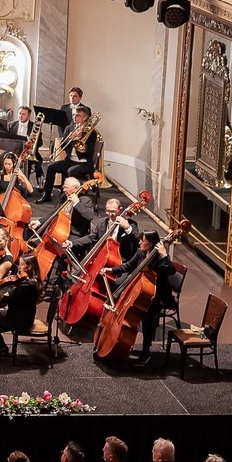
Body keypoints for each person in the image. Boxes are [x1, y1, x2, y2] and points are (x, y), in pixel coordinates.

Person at [104, 229, 177, 361]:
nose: (139, 242)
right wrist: (110, 269)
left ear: (150, 243)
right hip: (143, 290)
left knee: (147, 316)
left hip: (158, 295)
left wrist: (165, 255)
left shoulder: (159, 257)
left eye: (142, 240)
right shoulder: (140, 253)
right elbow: (128, 266)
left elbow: (171, 271)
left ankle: (146, 350)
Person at [40, 104, 99, 202]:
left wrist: (80, 139)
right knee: (51, 167)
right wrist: (71, 139)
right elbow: (63, 147)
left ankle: (67, 197)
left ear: (85, 118)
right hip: (70, 160)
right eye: (74, 115)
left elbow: (89, 151)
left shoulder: (91, 132)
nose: (74, 117)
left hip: (84, 163)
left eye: (78, 115)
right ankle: (46, 194)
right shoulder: (69, 128)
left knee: (71, 171)